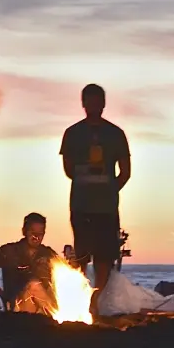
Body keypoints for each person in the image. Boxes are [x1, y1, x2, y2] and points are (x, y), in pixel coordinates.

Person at [60, 84, 131, 292]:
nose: (93, 105)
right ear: (83, 103)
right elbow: (68, 170)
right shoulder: (72, 133)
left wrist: (109, 190)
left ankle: (97, 298)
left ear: (104, 103)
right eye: (89, 101)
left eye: (97, 101)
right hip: (81, 205)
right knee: (81, 255)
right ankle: (82, 296)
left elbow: (125, 172)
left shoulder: (116, 134)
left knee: (104, 257)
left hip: (106, 208)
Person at [0, 213, 58, 314]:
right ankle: (58, 315)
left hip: (43, 307)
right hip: (19, 307)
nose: (36, 237)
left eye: (40, 234)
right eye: (33, 233)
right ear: (24, 231)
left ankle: (55, 314)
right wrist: (0, 292)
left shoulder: (48, 254)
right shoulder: (10, 251)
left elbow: (66, 270)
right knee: (34, 286)